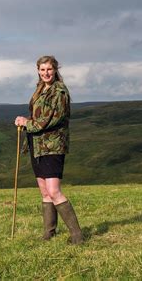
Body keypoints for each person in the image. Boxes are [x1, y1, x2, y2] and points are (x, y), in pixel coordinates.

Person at [14, 55, 83, 244]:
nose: (46, 73)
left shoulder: (59, 91)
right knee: (44, 192)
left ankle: (77, 236)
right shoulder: (40, 89)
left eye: (49, 69)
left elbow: (50, 119)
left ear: (55, 70)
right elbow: (38, 115)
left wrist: (27, 123)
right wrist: (25, 121)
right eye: (42, 69)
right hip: (37, 145)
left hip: (52, 145)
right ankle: (49, 233)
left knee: (54, 191)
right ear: (38, 70)